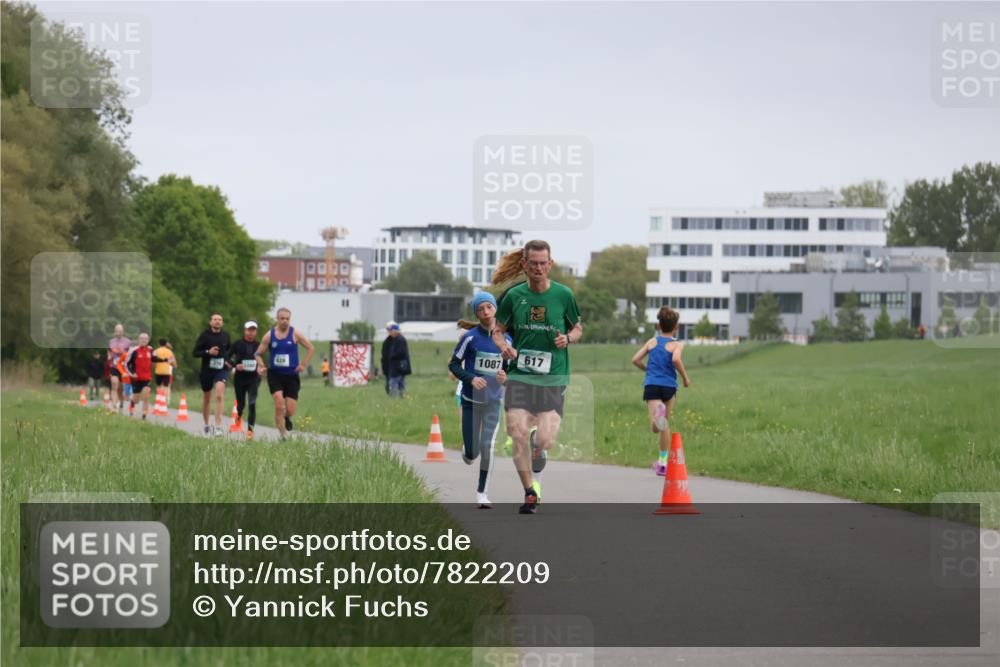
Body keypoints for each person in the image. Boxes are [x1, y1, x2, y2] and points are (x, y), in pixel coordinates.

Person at [492, 240, 582, 514]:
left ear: (550, 264)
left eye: (544, 263)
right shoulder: (513, 296)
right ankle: (530, 492)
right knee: (516, 431)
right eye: (534, 263)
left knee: (545, 441)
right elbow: (498, 330)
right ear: (525, 265)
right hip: (520, 374)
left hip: (553, 377)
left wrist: (568, 338)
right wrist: (503, 345)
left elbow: (578, 328)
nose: (539, 268)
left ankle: (537, 447)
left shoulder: (563, 295)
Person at [449, 292, 512, 509]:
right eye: (480, 309)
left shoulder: (507, 338)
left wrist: (505, 377)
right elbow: (454, 365)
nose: (486, 312)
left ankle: (482, 492)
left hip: (494, 401)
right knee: (472, 452)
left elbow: (508, 368)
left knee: (488, 445)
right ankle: (468, 451)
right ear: (476, 313)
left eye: (489, 307)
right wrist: (472, 378)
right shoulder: (470, 337)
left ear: (495, 308)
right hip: (470, 400)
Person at [631, 307, 691, 476]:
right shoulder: (677, 344)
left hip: (652, 385)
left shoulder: (652, 342)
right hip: (669, 387)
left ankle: (659, 418)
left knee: (656, 427)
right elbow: (676, 358)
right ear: (676, 327)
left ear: (659, 325)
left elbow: (635, 359)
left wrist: (647, 369)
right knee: (664, 424)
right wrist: (685, 378)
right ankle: (663, 463)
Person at [256, 307, 314, 439]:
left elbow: (311, 348)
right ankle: (283, 436)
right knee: (278, 403)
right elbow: (258, 353)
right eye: (282, 318)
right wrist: (261, 365)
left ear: (290, 319)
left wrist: (303, 365)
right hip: (275, 374)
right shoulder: (269, 335)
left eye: (287, 319)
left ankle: (287, 418)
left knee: (290, 409)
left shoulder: (295, 334)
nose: (284, 321)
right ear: (277, 319)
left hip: (291, 376)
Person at [193, 313, 232, 436]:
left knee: (219, 395)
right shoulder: (204, 335)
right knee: (207, 398)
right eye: (215, 319)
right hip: (207, 370)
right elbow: (195, 352)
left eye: (220, 319)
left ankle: (218, 426)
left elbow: (230, 352)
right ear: (211, 322)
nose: (217, 321)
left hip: (221, 370)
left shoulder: (226, 336)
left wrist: (229, 361)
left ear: (222, 323)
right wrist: (207, 352)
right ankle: (206, 424)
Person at [230, 321, 262, 440]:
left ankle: (250, 431)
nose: (251, 332)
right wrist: (235, 365)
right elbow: (227, 356)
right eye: (249, 330)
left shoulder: (259, 345)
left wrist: (261, 367)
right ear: (245, 330)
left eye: (253, 330)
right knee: (241, 404)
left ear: (256, 332)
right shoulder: (237, 344)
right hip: (240, 378)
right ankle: (239, 414)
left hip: (254, 378)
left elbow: (264, 359)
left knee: (252, 403)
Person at [125, 333, 155, 420]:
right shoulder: (134, 351)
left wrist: (165, 360)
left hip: (147, 377)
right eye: (142, 339)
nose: (144, 340)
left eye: (145, 339)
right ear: (139, 340)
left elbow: (153, 358)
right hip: (136, 378)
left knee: (146, 395)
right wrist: (132, 373)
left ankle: (144, 415)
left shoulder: (150, 350)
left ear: (148, 340)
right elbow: (127, 364)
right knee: (136, 399)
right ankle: (132, 403)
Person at [380, 322, 411, 397]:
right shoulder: (394, 339)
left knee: (393, 383)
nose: (390, 332)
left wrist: (391, 356)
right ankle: (401, 397)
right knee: (400, 384)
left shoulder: (399, 339)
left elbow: (401, 352)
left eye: (391, 331)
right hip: (397, 367)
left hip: (398, 367)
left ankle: (393, 398)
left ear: (395, 331)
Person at [108, 324, 131, 411]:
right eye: (117, 330)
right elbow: (109, 351)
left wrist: (122, 352)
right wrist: (110, 356)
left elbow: (130, 354)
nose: (119, 332)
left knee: (120, 388)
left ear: (123, 331)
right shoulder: (111, 341)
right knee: (114, 384)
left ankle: (121, 401)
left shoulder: (128, 342)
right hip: (114, 365)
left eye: (120, 331)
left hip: (123, 367)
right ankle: (114, 404)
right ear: (115, 331)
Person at [153, 338, 177, 407]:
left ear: (159, 343)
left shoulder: (156, 351)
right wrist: (172, 365)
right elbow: (174, 363)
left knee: (159, 386)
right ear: (166, 344)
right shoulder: (169, 352)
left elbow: (153, 360)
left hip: (158, 370)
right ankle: (165, 401)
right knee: (166, 386)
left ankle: (158, 400)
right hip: (166, 371)